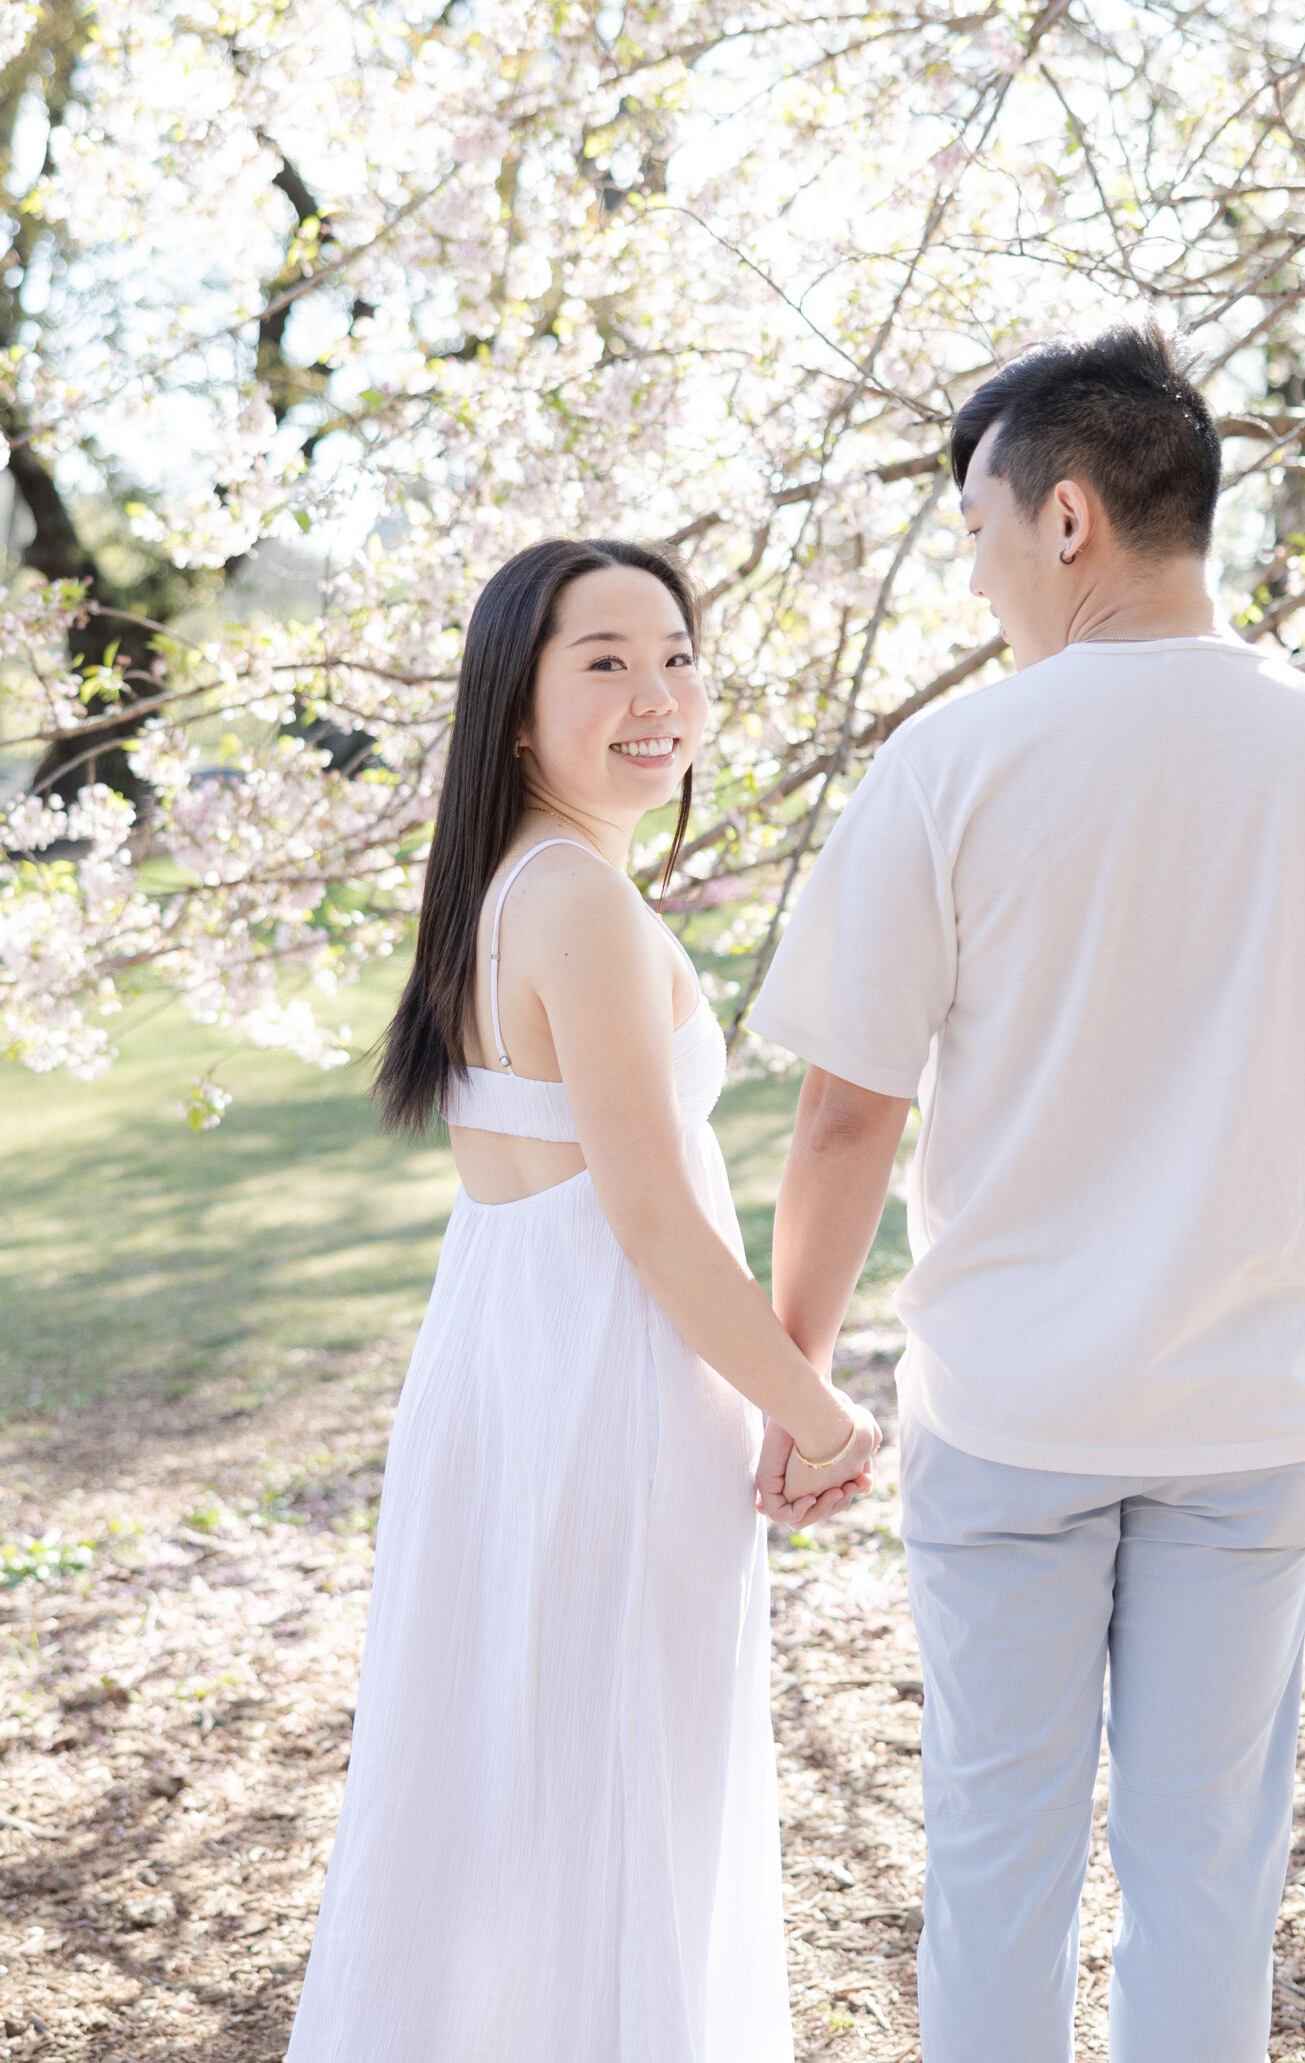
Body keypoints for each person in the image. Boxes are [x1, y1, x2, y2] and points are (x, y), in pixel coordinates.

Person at [748, 317, 1305, 2063]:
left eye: (975, 532)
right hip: (1255, 1413)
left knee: (995, 1858)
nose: (979, 575)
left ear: (1066, 517)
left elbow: (847, 1117)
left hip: (1013, 1409)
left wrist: (796, 1381)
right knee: (1208, 1869)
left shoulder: (952, 765)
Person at [287, 537, 878, 2063]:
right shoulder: (578, 904)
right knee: (620, 1792)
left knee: (534, 1791)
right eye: (603, 661)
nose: (657, 695)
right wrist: (815, 1413)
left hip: (520, 1367)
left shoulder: (520, 886)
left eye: (675, 654)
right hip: (606, 1388)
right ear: (515, 707)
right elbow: (661, 1225)